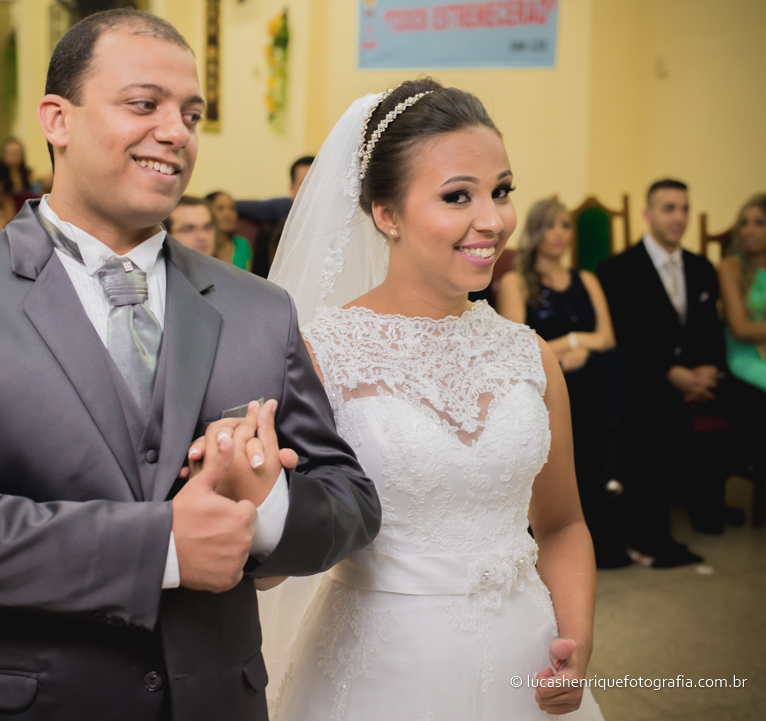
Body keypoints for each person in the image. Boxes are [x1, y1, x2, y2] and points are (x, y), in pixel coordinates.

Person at [0, 10, 380, 721]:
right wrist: (161, 546)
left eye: (191, 114)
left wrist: (266, 507)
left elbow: (350, 499)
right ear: (58, 120)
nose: (176, 132)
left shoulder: (258, 308)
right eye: (144, 105)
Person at [265, 79, 603, 719]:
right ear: (386, 215)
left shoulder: (530, 356)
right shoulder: (320, 356)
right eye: (457, 196)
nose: (493, 221)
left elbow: (561, 523)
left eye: (501, 191)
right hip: (382, 671)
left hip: (523, 658)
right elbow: (280, 552)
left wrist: (577, 638)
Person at [597, 180, 754, 548]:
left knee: (750, 404)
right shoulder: (617, 269)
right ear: (647, 214)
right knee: (658, 409)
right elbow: (624, 337)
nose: (679, 217)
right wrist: (670, 373)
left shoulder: (702, 268)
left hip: (700, 375)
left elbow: (712, 329)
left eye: (684, 209)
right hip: (649, 376)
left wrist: (710, 370)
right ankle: (666, 511)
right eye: (669, 208)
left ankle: (705, 494)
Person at [498, 197, 631, 568]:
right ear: (535, 232)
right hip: (544, 381)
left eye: (565, 225)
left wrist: (579, 350)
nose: (559, 233)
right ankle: (609, 474)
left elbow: (607, 338)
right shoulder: (515, 282)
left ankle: (608, 475)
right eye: (550, 225)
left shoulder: (587, 279)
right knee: (614, 371)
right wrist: (569, 348)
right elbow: (517, 349)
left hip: (592, 377)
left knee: (620, 360)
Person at [719, 194, 766, 392]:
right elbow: (740, 329)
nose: (749, 230)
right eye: (744, 223)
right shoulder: (730, 267)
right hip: (744, 355)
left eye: (759, 223)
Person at [248, 156, 316, 278]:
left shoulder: (340, 234)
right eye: (304, 184)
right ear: (292, 190)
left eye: (316, 183)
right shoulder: (268, 238)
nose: (312, 190)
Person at [205, 190, 252, 270]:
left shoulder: (242, 244)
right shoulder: (202, 244)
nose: (227, 214)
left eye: (232, 208)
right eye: (220, 208)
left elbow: (249, 277)